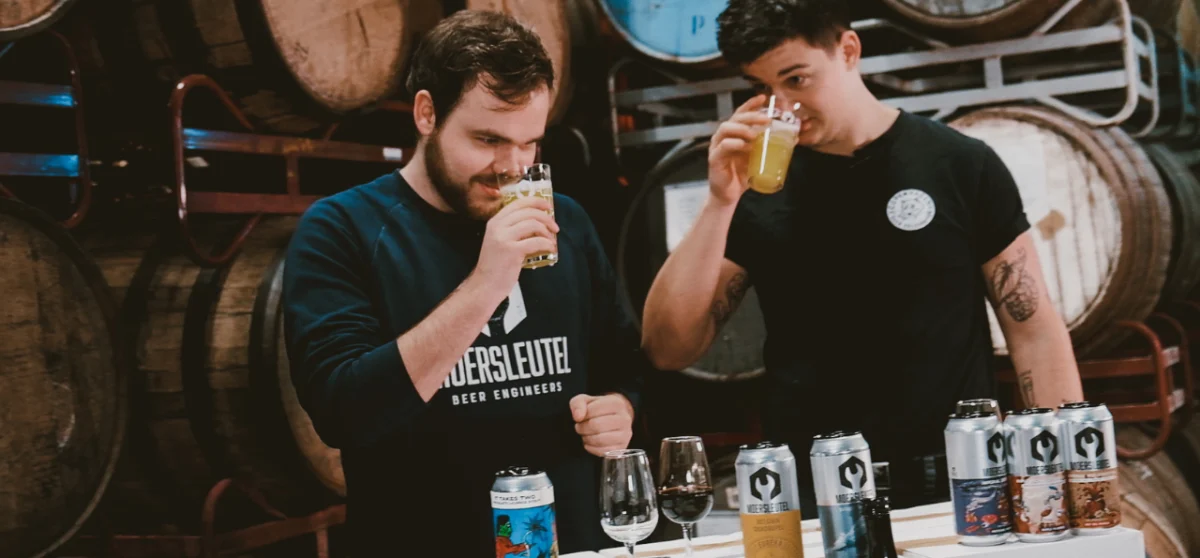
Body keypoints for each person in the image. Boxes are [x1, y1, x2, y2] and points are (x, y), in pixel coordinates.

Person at [640, 0, 1084, 511]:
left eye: (797, 79)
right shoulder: (758, 190)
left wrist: (1063, 475)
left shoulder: (959, 164)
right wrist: (720, 201)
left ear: (848, 50)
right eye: (762, 89)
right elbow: (667, 348)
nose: (783, 106)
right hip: (816, 493)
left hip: (959, 484)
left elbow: (1033, 330)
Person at [282, 11, 647, 556]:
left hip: (571, 541)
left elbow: (624, 362)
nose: (512, 168)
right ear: (427, 113)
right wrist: (485, 285)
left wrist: (621, 407)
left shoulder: (564, 219)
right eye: (487, 139)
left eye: (530, 144)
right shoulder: (342, 227)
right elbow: (344, 412)